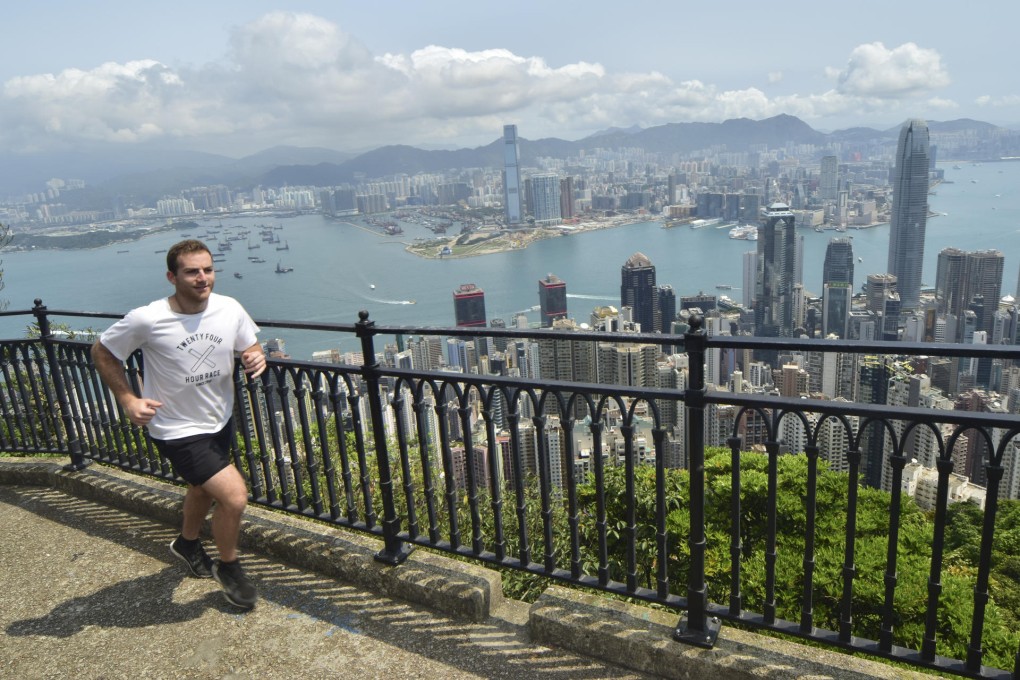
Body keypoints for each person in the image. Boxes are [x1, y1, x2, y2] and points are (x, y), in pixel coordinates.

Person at [92, 239, 266, 610]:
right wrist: (127, 399)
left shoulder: (229, 307)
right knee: (234, 496)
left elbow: (250, 346)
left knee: (201, 489)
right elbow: (103, 351)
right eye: (192, 271)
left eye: (208, 269)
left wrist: (254, 357)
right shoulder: (148, 318)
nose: (203, 278)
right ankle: (229, 567)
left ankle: (187, 543)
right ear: (172, 277)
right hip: (176, 429)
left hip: (218, 420)